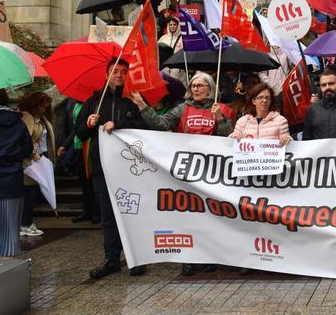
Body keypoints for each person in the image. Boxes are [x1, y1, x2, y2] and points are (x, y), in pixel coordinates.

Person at [131, 72, 233, 276]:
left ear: (210, 89)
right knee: (188, 216)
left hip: (212, 173)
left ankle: (210, 256)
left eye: (200, 85)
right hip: (186, 171)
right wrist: (143, 106)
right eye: (193, 85)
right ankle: (189, 258)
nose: (195, 89)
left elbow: (229, 140)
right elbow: (161, 124)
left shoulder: (222, 109)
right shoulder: (182, 108)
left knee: (211, 216)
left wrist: (220, 119)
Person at [75, 58, 148, 278]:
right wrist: (89, 124)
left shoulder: (130, 104)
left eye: (123, 72)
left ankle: (135, 259)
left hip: (128, 169)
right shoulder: (93, 102)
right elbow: (79, 132)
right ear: (107, 75)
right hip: (102, 168)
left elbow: (143, 129)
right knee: (107, 216)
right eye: (115, 71)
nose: (119, 75)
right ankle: (112, 259)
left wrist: (120, 125)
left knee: (130, 214)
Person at [0, 89, 33, 259]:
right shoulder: (18, 123)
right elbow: (27, 150)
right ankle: (8, 271)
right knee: (9, 230)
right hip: (11, 181)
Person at [18, 92, 56, 238]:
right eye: (42, 106)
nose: (44, 109)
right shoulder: (28, 118)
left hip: (38, 158)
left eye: (46, 106)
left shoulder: (41, 118)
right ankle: (24, 224)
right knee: (28, 193)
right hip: (30, 161)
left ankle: (27, 222)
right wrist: (34, 153)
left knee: (32, 192)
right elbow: (24, 139)